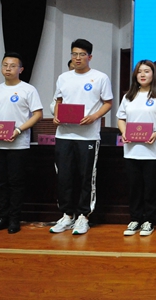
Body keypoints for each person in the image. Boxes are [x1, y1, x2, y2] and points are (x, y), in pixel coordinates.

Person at [50, 38, 113, 235]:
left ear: (89, 57)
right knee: (64, 176)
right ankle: (67, 215)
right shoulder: (64, 77)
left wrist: (94, 117)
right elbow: (58, 101)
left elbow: (108, 102)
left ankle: (83, 216)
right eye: (74, 54)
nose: (77, 58)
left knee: (86, 177)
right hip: (64, 134)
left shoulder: (100, 77)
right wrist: (56, 116)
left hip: (88, 137)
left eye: (82, 54)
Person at [0, 52, 43, 234]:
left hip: (18, 145)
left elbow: (38, 115)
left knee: (16, 183)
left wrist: (18, 130)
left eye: (13, 66)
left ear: (21, 69)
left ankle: (14, 219)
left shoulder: (28, 90)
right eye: (5, 65)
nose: (8, 69)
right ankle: (1, 218)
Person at [117, 60, 156, 237]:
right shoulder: (129, 96)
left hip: (153, 150)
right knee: (134, 187)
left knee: (151, 187)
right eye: (139, 71)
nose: (143, 74)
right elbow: (121, 118)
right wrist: (124, 132)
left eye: (147, 71)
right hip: (132, 149)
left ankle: (149, 220)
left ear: (153, 74)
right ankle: (135, 218)